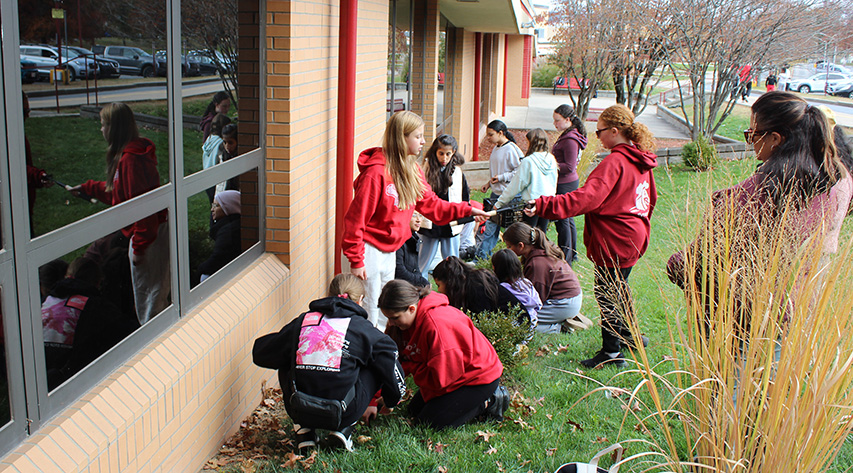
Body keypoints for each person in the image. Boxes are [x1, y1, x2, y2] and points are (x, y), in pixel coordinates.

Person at [667, 91, 841, 331]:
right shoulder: (825, 190)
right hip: (783, 315)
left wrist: (675, 262)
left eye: (752, 134)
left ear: (775, 139)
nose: (750, 141)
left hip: (735, 324)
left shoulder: (751, 197)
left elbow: (698, 262)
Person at [525, 104, 657, 367]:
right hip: (633, 236)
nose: (596, 137)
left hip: (616, 240)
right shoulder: (640, 159)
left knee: (608, 292)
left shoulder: (615, 161)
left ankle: (612, 353)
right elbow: (650, 199)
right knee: (620, 288)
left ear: (615, 131)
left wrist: (544, 204)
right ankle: (629, 336)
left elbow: (586, 199)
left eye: (599, 132)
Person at [341, 111, 489, 330]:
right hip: (369, 251)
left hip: (390, 250)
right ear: (402, 138)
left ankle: (383, 351)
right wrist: (356, 260)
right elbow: (355, 221)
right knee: (369, 309)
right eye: (418, 136)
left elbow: (434, 207)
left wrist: (469, 209)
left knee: (386, 306)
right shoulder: (375, 174)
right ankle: (367, 355)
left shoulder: (412, 170)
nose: (423, 142)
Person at [252, 274, 406, 452]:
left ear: (329, 294)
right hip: (343, 411)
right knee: (375, 361)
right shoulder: (365, 330)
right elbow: (389, 356)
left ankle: (304, 431)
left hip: (299, 407)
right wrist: (391, 399)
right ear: (361, 299)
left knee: (287, 353)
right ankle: (343, 431)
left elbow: (261, 353)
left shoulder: (303, 321)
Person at [71, 103, 170, 325]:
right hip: (148, 235)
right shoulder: (127, 157)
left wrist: (139, 247)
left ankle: (155, 344)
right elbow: (120, 194)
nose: (101, 129)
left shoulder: (131, 160)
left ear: (114, 128)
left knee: (150, 298)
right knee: (148, 295)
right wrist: (87, 188)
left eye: (103, 124)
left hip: (150, 236)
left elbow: (143, 206)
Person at [378, 279, 508, 429]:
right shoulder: (401, 323)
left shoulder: (438, 326)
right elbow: (393, 361)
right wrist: (387, 395)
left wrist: (412, 367)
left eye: (394, 318)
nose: (391, 323)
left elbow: (441, 380)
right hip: (447, 373)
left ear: (412, 308)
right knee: (413, 411)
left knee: (428, 424)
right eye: (388, 318)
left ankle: (489, 401)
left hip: (477, 377)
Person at [43, 257, 138, 390]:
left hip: (41, 371)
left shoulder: (47, 300)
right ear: (98, 282)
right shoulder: (96, 306)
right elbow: (132, 333)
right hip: (68, 381)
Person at [502, 223, 581, 334]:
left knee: (520, 322)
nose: (508, 249)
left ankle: (558, 328)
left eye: (509, 246)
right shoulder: (539, 250)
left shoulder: (537, 264)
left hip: (564, 304)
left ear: (521, 245)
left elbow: (534, 300)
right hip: (568, 299)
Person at [418, 134, 469, 278]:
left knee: (452, 262)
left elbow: (464, 195)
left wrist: (466, 214)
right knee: (423, 262)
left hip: (450, 222)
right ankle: (421, 288)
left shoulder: (457, 172)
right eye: (441, 153)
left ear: (454, 152)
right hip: (431, 223)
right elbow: (419, 197)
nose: (444, 158)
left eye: (448, 154)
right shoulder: (426, 170)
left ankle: (454, 288)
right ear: (435, 152)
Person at [494, 128, 558, 233]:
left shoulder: (528, 161)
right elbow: (554, 181)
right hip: (547, 203)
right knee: (542, 234)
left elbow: (515, 186)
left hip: (531, 203)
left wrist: (499, 203)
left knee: (527, 235)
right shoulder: (551, 158)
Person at [475, 120, 523, 261]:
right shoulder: (496, 147)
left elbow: (520, 172)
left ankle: (511, 259)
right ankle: (482, 258)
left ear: (501, 133)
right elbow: (497, 171)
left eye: (490, 135)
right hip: (496, 194)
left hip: (509, 196)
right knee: (490, 227)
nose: (488, 138)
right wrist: (489, 183)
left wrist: (502, 177)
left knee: (509, 231)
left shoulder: (512, 149)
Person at [552, 104, 588, 263]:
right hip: (568, 182)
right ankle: (572, 254)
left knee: (563, 220)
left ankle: (566, 257)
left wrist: (551, 165)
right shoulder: (569, 135)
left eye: (557, 121)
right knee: (568, 219)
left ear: (568, 120)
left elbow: (570, 166)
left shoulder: (570, 140)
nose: (555, 124)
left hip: (565, 184)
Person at [431, 256, 523, 318]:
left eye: (439, 285)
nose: (438, 290)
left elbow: (481, 319)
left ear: (449, 282)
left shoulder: (476, 287)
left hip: (518, 324)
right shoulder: (466, 284)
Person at [22, 92, 54, 235]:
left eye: (28, 111)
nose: (27, 116)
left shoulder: (16, 132)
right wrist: (38, 176)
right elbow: (13, 169)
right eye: (24, 112)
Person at [491, 248, 541, 332]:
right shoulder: (526, 282)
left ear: (495, 268)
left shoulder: (503, 288)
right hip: (532, 324)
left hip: (517, 329)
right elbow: (538, 304)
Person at [197, 190, 242, 283]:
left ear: (229, 207)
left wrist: (200, 269)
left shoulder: (228, 231)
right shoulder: (231, 225)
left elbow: (217, 259)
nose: (212, 209)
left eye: (216, 206)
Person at [202, 113, 232, 203]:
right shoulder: (220, 143)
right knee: (217, 204)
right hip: (215, 179)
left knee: (212, 203)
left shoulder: (209, 139)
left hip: (206, 177)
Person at [395, 212, 429, 287]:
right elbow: (400, 272)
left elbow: (415, 269)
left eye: (420, 216)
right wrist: (422, 281)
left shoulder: (414, 239)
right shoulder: (399, 240)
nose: (418, 220)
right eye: (414, 215)